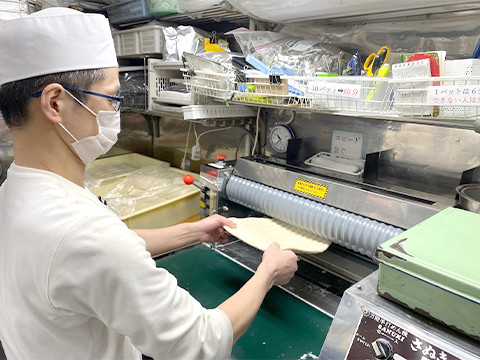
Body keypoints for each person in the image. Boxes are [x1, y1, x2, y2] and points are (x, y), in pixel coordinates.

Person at [0, 8, 298, 360]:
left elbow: (83, 259)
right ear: (56, 103)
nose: (116, 114)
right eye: (112, 99)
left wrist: (193, 232)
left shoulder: (17, 190)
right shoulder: (83, 234)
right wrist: (267, 272)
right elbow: (201, 342)